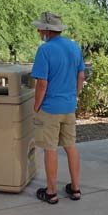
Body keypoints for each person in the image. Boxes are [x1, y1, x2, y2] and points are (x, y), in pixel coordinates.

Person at [31, 12, 86, 204]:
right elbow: (81, 77)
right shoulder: (74, 47)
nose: (38, 31)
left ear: (47, 30)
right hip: (69, 106)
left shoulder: (44, 50)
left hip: (50, 108)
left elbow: (42, 84)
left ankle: (51, 192)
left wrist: (36, 106)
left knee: (50, 149)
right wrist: (74, 96)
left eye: (40, 28)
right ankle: (75, 188)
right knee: (70, 147)